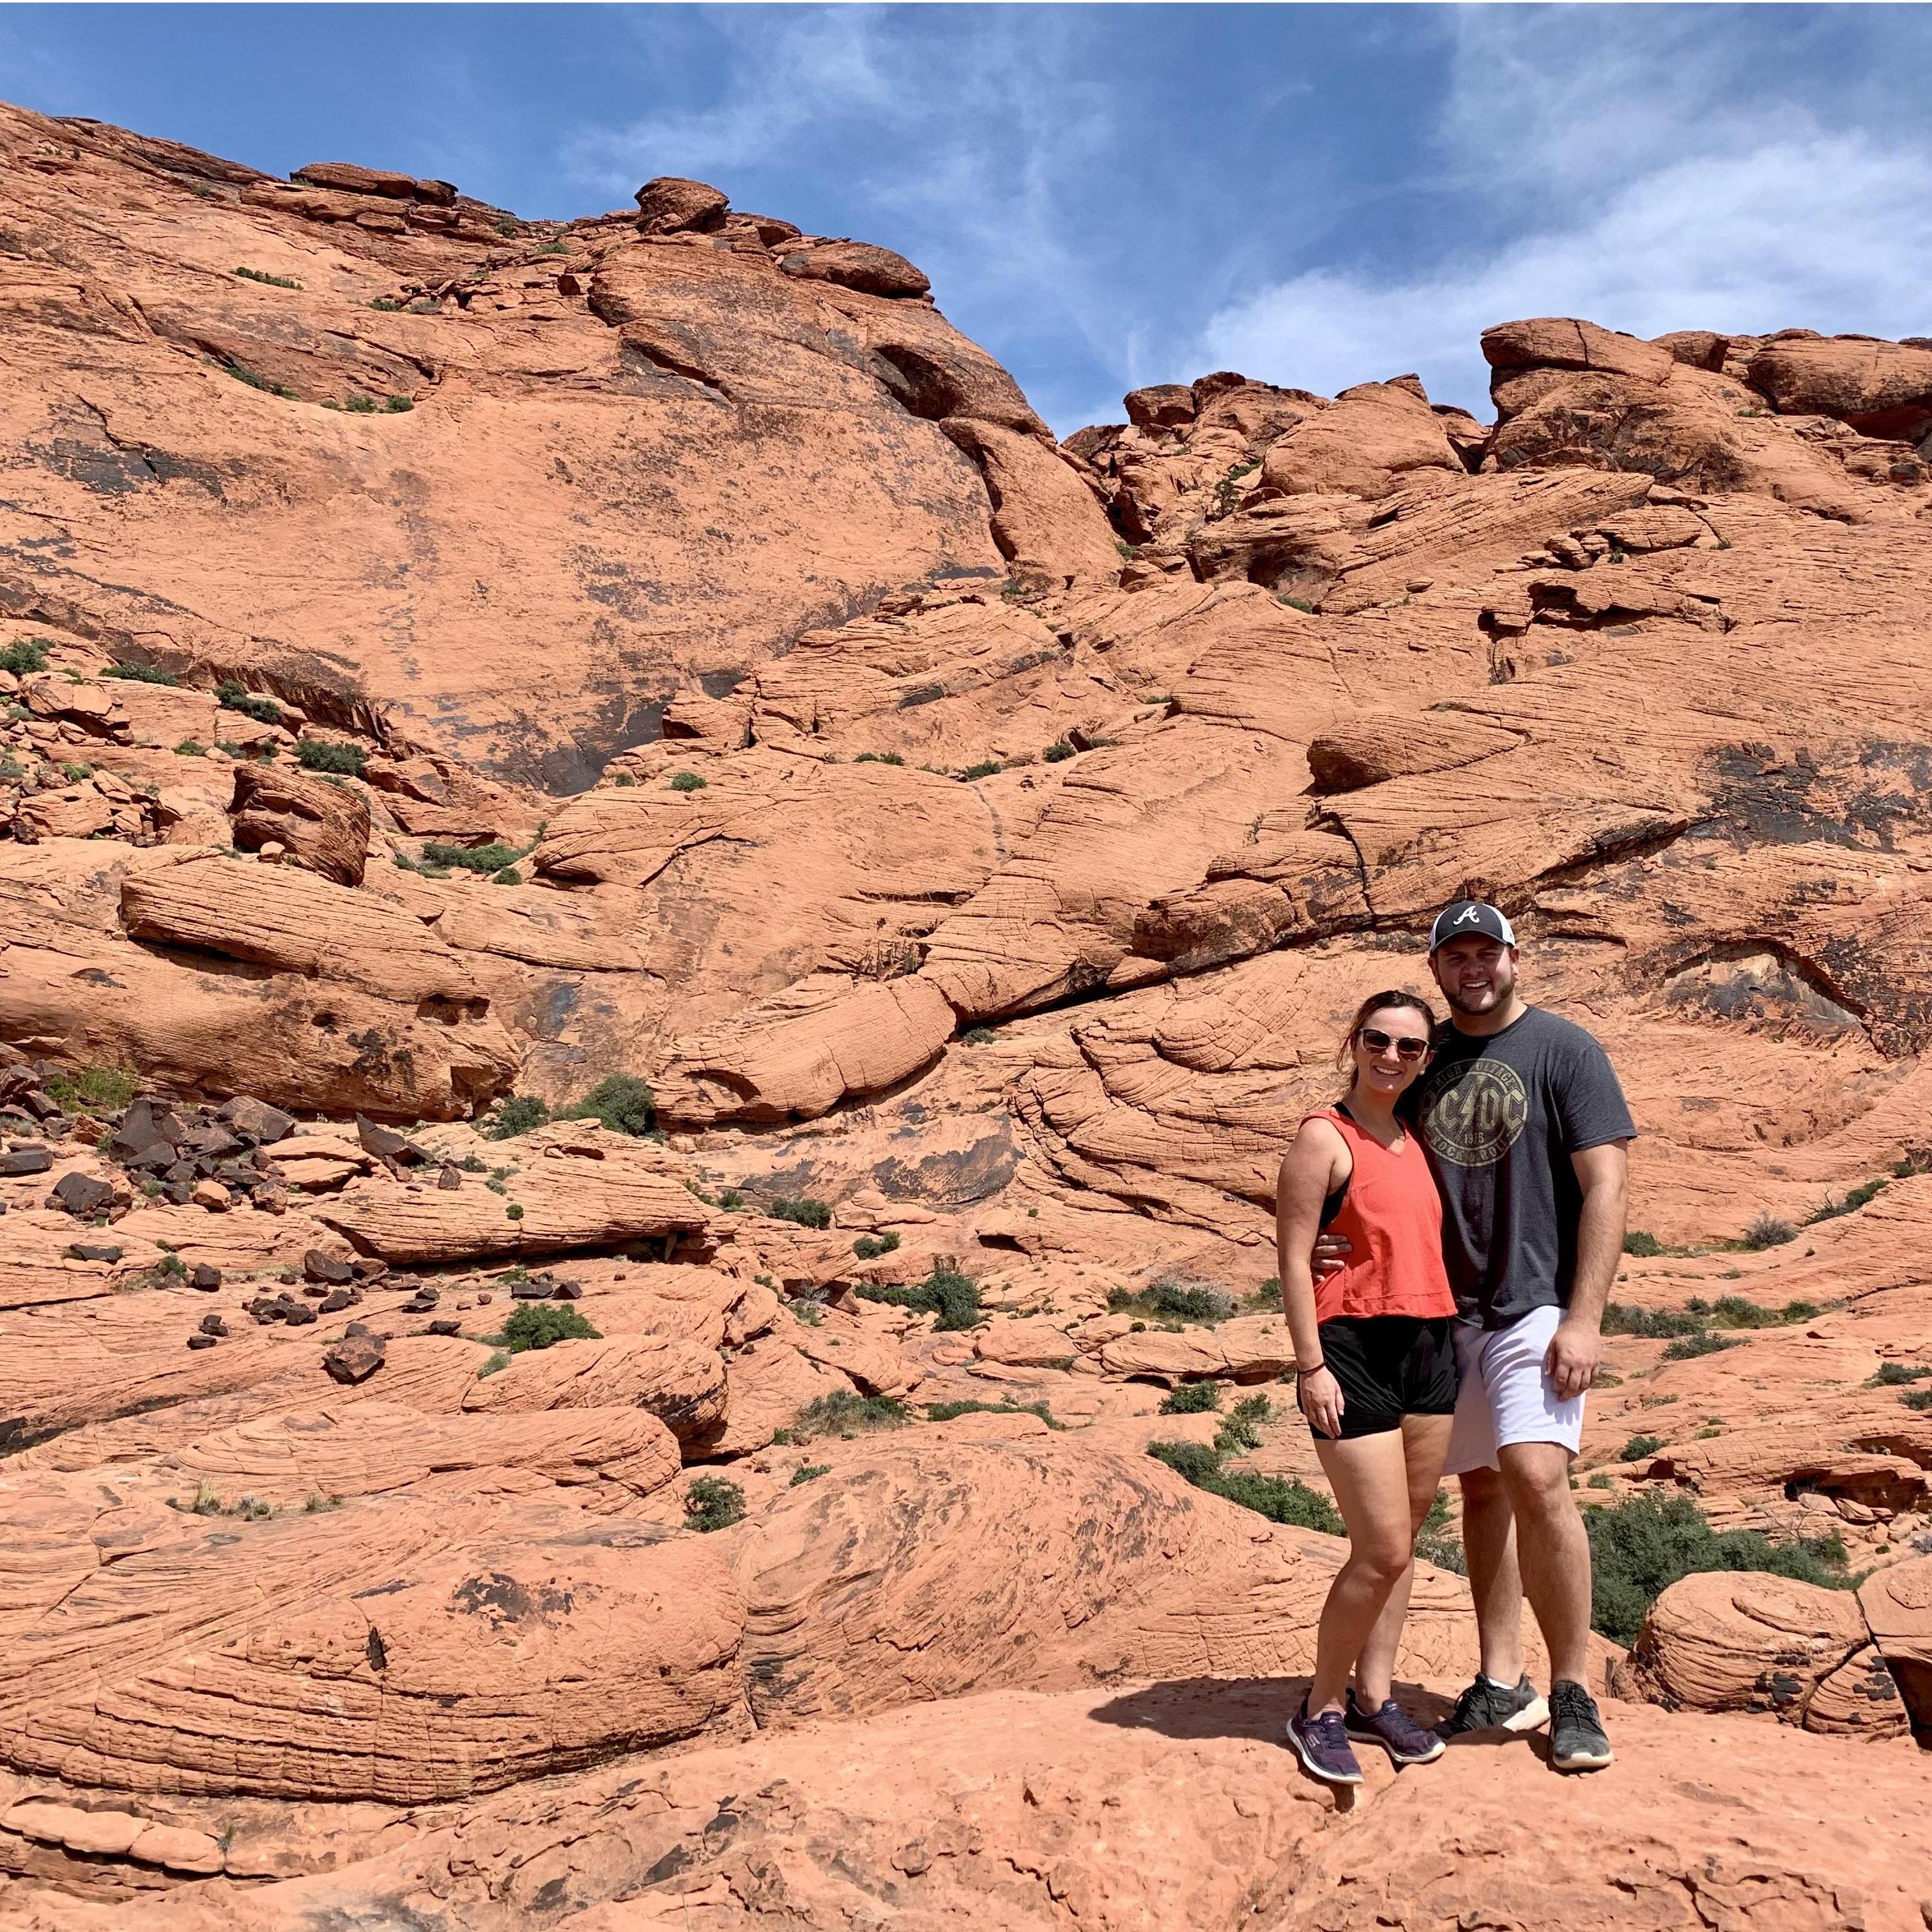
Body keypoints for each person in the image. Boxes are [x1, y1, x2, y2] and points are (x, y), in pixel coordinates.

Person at [1315, 899, 1634, 1774]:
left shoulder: (1565, 1050)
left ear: (1514, 958)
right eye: (1456, 956)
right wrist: (1327, 1230)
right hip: (1434, 1309)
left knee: (1535, 1473)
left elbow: (1607, 1186)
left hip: (1533, 1299)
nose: (1474, 969)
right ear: (1437, 970)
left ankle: (1573, 1689)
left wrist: (1585, 1317)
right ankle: (1502, 1679)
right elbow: (1359, 1147)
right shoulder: (1420, 1054)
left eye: (1486, 953)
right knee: (1478, 1489)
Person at [1276, 990, 1460, 1786]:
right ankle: (1317, 1707)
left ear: (1424, 1060)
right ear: (1355, 1043)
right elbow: (1290, 1256)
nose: (1391, 1057)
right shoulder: (1325, 1136)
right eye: (1379, 1041)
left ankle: (1373, 1695)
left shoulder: (1417, 1137)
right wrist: (1310, 1364)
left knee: (1404, 1544)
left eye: (1410, 1048)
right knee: (1381, 1548)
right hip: (1351, 1349)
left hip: (1429, 1342)